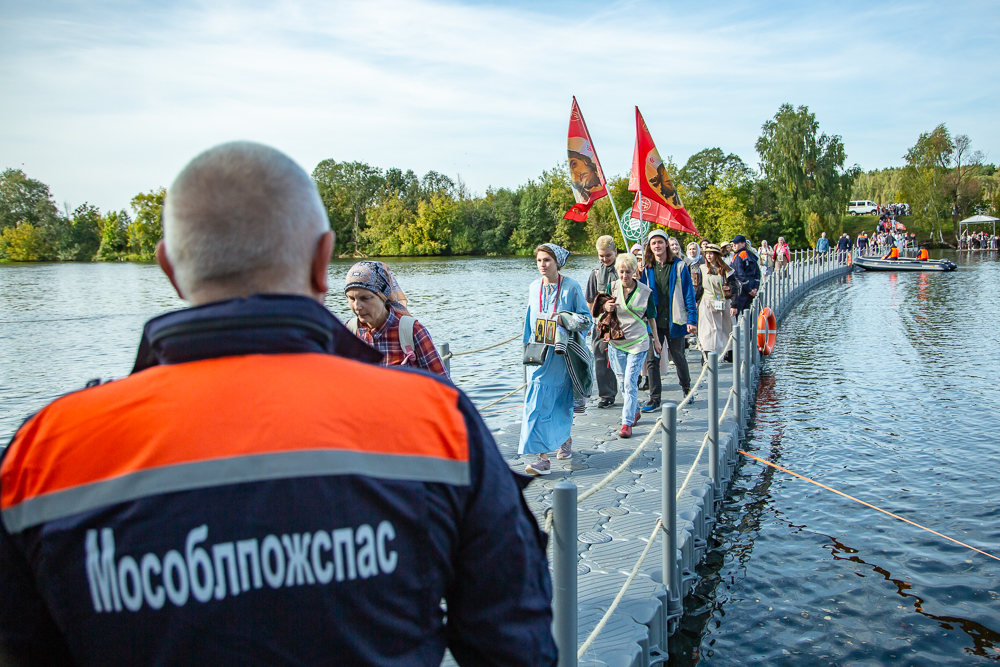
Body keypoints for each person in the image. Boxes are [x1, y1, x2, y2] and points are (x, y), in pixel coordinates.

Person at [0, 142, 557, 666]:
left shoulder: (43, 454)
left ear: (169, 268)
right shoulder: (438, 424)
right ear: (322, 262)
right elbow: (514, 642)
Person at [521, 243, 592, 474]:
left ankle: (564, 438)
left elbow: (586, 320)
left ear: (557, 262)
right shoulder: (533, 287)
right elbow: (529, 320)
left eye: (547, 260)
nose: (542, 264)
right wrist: (525, 350)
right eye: (539, 260)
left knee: (561, 403)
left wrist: (563, 318)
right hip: (539, 356)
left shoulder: (571, 287)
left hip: (562, 357)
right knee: (537, 403)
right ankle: (542, 458)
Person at [344, 261, 447, 375]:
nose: (357, 307)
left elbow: (443, 386)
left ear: (383, 296)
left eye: (365, 298)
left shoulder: (412, 331)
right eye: (351, 299)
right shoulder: (348, 332)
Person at [602, 253, 660, 438]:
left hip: (638, 341)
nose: (625, 276)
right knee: (621, 381)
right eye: (621, 272)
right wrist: (606, 308)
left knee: (630, 382)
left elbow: (651, 318)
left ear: (635, 271)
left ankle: (626, 423)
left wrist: (656, 340)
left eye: (628, 272)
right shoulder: (611, 287)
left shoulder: (645, 292)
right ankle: (635, 409)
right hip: (617, 340)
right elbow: (599, 307)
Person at [640, 229, 697, 412]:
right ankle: (655, 398)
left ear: (666, 244)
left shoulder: (679, 266)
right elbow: (640, 293)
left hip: (675, 320)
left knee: (679, 357)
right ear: (649, 246)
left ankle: (687, 390)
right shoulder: (647, 269)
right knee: (652, 359)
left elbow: (688, 293)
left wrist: (692, 319)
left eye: (660, 242)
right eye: (653, 243)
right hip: (654, 322)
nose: (657, 246)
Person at [586, 235, 618, 408]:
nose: (605, 259)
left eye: (608, 255)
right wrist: (595, 318)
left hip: (623, 321)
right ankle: (606, 395)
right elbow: (590, 299)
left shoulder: (623, 268)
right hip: (602, 321)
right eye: (601, 256)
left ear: (615, 251)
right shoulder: (595, 273)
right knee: (600, 357)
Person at [697, 244, 739, 361]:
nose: (709, 256)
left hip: (723, 301)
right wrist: (694, 301)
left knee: (726, 328)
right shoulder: (702, 268)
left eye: (711, 253)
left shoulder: (727, 270)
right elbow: (699, 287)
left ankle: (729, 352)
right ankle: (706, 355)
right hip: (707, 302)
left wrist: (734, 304)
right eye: (707, 253)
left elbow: (733, 287)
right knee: (707, 331)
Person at [730, 234, 760, 316]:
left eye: (736, 243)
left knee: (735, 313)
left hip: (742, 288)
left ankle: (735, 329)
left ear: (743, 244)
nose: (734, 245)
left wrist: (749, 289)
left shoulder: (739, 255)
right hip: (751, 286)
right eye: (733, 244)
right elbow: (757, 273)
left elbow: (740, 274)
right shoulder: (751, 254)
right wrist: (755, 288)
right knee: (749, 314)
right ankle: (750, 329)